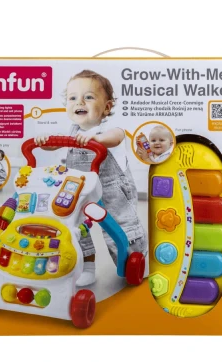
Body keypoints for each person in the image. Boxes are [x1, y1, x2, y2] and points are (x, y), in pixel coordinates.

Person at [35, 70, 147, 286]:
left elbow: (117, 137)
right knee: (75, 227)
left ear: (107, 107)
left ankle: (135, 259)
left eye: (88, 97)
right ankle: (87, 267)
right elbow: (53, 145)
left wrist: (97, 138)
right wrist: (44, 141)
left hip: (112, 191)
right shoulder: (72, 131)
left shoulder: (109, 129)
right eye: (73, 98)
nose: (80, 102)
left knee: (121, 226)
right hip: (79, 189)